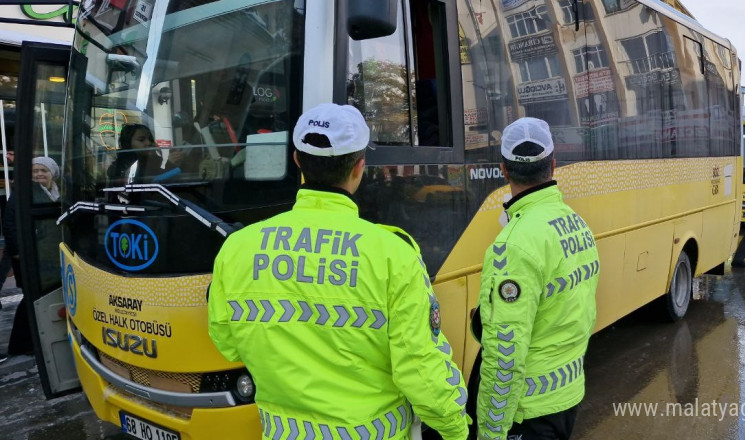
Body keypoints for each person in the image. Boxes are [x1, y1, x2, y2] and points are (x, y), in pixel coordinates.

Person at [207, 103, 469, 440]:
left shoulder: (238, 248)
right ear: (360, 166)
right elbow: (420, 367)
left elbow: (227, 343)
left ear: (297, 160)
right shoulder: (393, 254)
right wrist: (455, 429)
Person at [472, 117, 599, 440]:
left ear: (503, 170)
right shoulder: (576, 223)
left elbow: (505, 355)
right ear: (553, 166)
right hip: (567, 397)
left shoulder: (513, 244)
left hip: (529, 413)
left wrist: (491, 431)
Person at [0, 156, 62, 362]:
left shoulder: (58, 192)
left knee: (44, 297)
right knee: (31, 298)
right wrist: (18, 252)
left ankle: (36, 339)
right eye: (34, 171)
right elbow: (10, 222)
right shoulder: (23, 194)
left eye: (43, 171)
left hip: (51, 255)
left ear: (52, 173)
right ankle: (19, 345)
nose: (38, 175)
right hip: (30, 256)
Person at [106, 124, 187, 185]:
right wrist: (169, 165)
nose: (148, 143)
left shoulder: (156, 160)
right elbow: (143, 187)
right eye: (141, 140)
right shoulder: (118, 167)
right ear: (128, 144)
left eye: (150, 139)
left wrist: (180, 162)